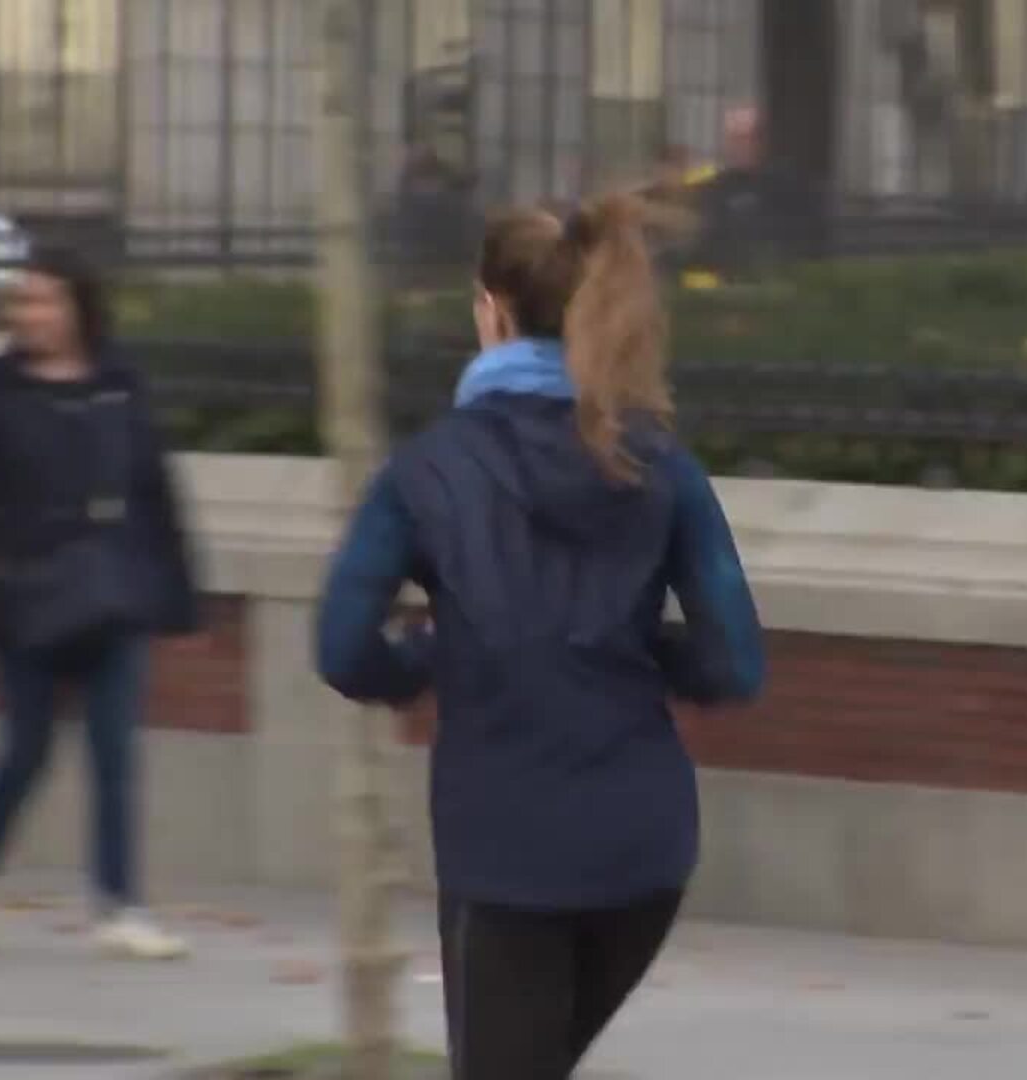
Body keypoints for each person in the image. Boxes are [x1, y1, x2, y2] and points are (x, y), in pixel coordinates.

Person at [317, 193, 767, 1078]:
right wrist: (636, 652)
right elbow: (735, 662)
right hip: (644, 854)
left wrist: (433, 652)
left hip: (507, 850)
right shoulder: (661, 464)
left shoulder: (426, 472)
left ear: (489, 310)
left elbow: (342, 647)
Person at [0, 246, 197, 961]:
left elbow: (154, 488)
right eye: (21, 301)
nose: (31, 315)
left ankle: (120, 903)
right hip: (25, 594)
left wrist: (172, 589)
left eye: (45, 300)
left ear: (79, 306)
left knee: (114, 750)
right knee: (27, 747)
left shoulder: (117, 382)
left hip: (114, 589)